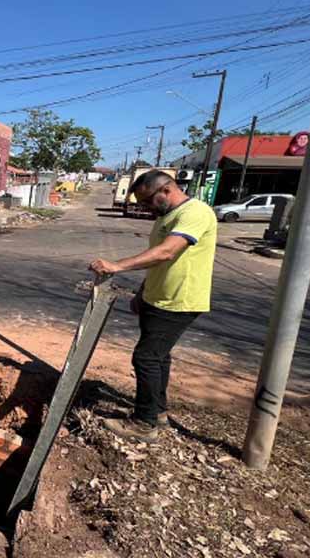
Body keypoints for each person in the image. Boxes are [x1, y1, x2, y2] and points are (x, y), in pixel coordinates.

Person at [89, 169, 217, 442]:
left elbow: (167, 252)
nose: (146, 207)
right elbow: (159, 262)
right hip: (158, 298)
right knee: (158, 357)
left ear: (166, 190)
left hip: (179, 301)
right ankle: (157, 412)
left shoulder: (195, 212)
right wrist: (142, 293)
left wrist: (117, 266)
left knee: (146, 358)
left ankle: (144, 424)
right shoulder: (165, 217)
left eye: (148, 201)